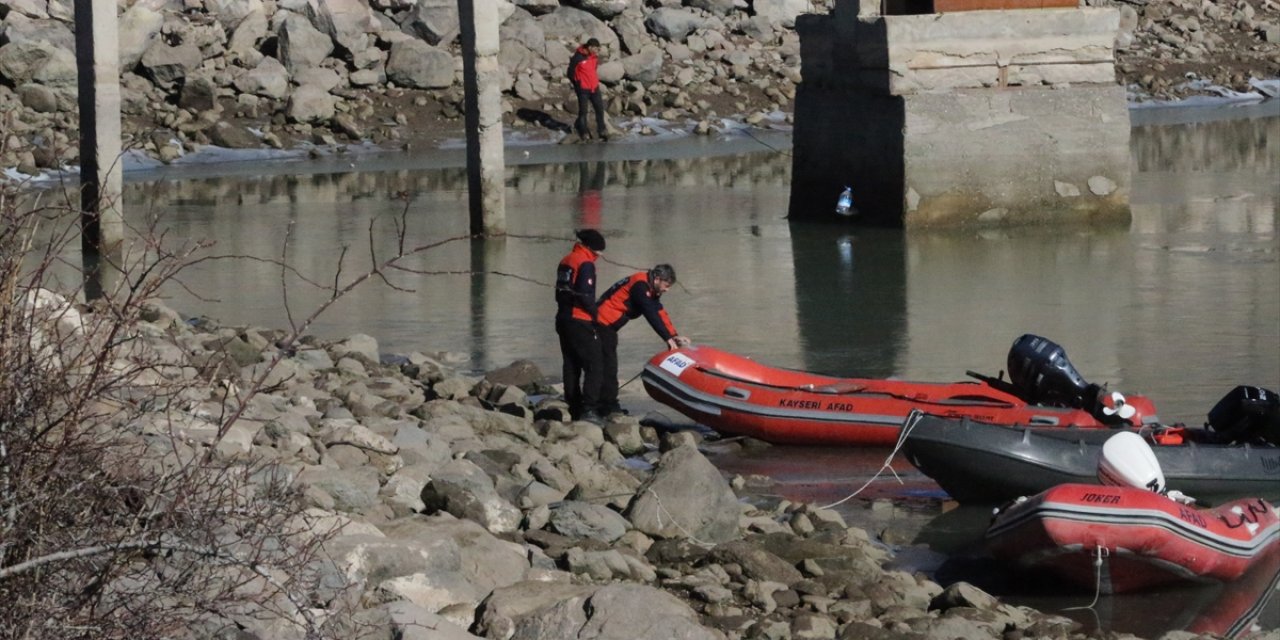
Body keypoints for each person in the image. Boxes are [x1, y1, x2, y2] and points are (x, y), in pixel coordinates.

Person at [594, 264, 691, 417]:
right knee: (609, 365)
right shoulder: (640, 286)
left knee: (608, 364)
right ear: (658, 279)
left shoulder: (650, 286)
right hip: (601, 324)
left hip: (608, 326)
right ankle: (607, 405)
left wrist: (674, 336)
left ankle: (606, 402)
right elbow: (649, 312)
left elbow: (659, 311)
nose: (667, 289)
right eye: (666, 285)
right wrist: (666, 338)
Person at [555, 229, 607, 423]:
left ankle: (573, 405)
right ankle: (589, 409)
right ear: (592, 249)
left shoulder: (566, 260)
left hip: (562, 317)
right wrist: (596, 315)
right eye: (599, 253)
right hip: (579, 319)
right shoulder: (585, 263)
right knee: (595, 364)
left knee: (571, 364)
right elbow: (585, 294)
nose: (600, 257)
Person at [567, 38, 608, 142]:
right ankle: (584, 132)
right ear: (589, 47)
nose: (597, 50)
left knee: (599, 109)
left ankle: (602, 130)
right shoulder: (578, 58)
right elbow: (570, 73)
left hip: (594, 88)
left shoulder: (594, 57)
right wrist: (578, 84)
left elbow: (593, 69)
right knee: (583, 111)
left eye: (598, 48)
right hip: (583, 89)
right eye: (595, 48)